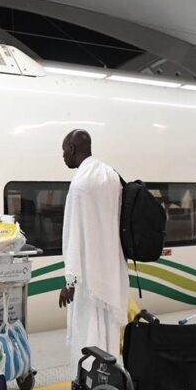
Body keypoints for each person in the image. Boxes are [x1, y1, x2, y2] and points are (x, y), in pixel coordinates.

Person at [58, 130, 128, 368]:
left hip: (88, 279)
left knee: (87, 333)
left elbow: (74, 234)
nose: (63, 156)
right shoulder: (110, 175)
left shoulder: (80, 184)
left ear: (72, 149)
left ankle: (88, 386)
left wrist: (70, 282)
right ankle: (108, 385)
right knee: (108, 333)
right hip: (110, 270)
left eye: (64, 150)